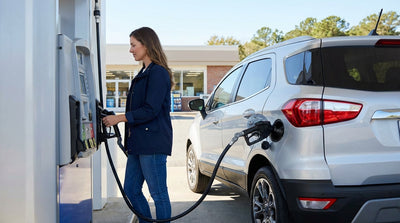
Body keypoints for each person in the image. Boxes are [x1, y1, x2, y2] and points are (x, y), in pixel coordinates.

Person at [102, 27, 173, 223]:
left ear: (147, 45)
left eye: (133, 45)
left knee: (158, 194)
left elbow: (151, 109)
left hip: (153, 143)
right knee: (131, 190)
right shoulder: (144, 72)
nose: (130, 50)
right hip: (138, 144)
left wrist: (119, 118)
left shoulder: (158, 73)